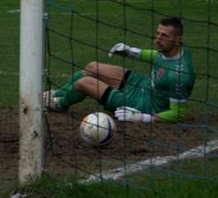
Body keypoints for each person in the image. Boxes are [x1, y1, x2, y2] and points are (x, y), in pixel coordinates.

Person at [46, 17, 195, 123]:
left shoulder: (180, 76)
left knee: (83, 83)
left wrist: (142, 117)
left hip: (144, 104)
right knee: (92, 67)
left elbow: (177, 114)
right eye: (158, 33)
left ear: (177, 39)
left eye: (164, 36)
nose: (158, 39)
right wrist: (130, 51)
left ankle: (60, 104)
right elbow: (157, 57)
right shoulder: (180, 50)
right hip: (143, 84)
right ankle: (57, 94)